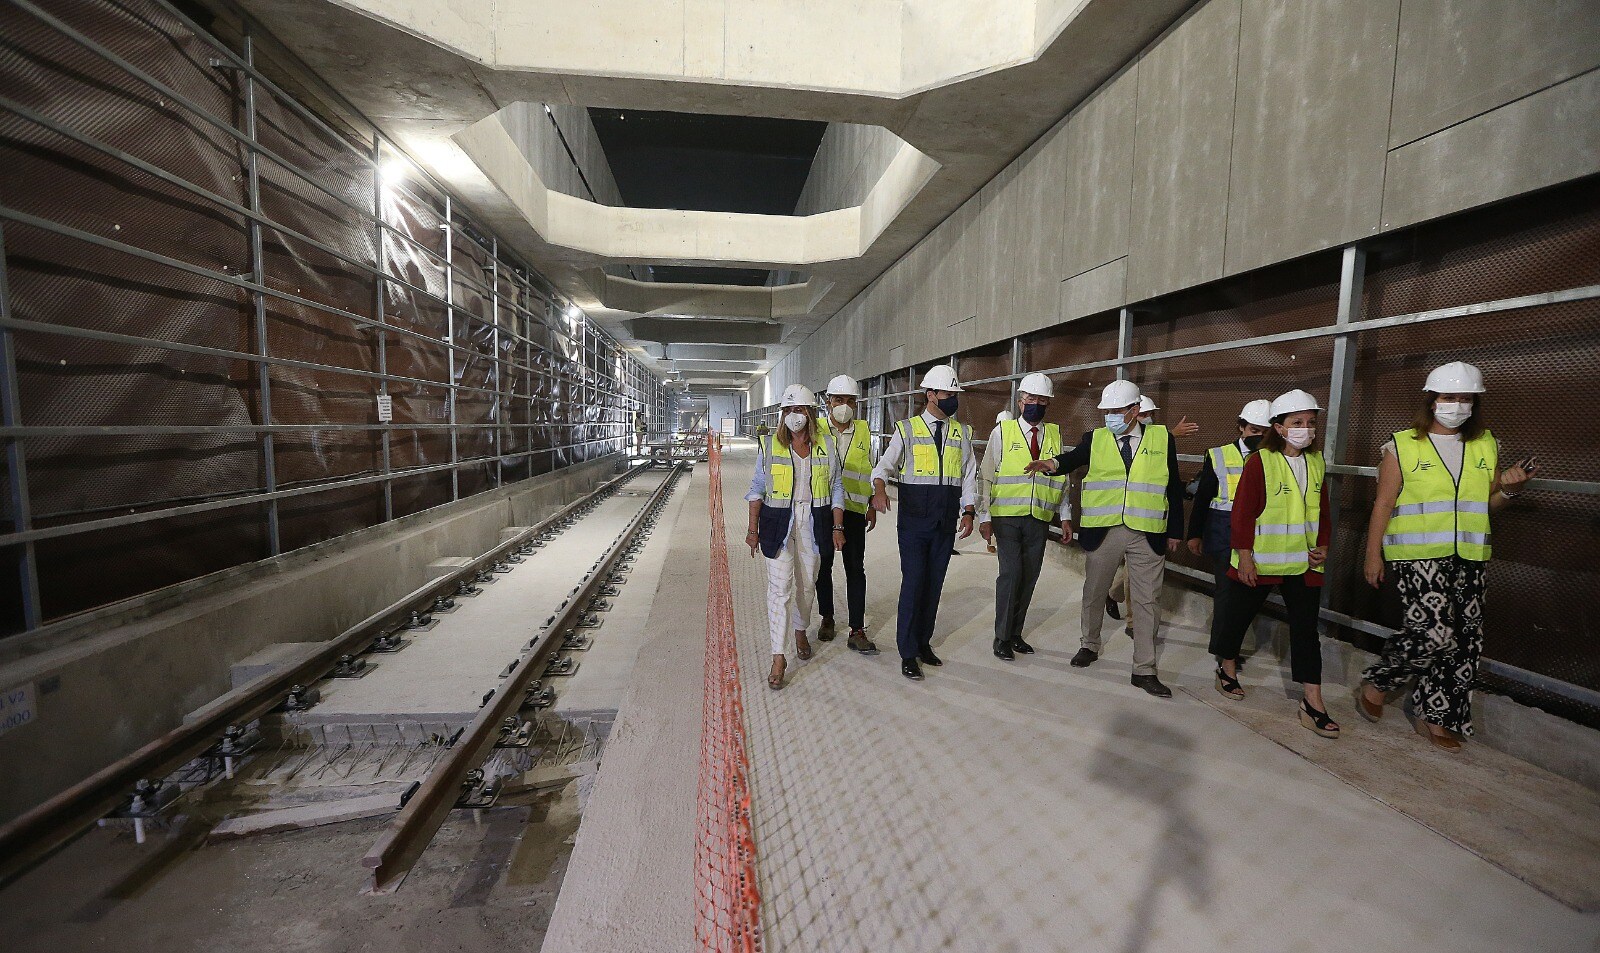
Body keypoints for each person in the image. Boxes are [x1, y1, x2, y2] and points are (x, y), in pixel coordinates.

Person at [1355, 361, 1534, 750]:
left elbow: (1486, 505)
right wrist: (1373, 555)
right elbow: (1383, 504)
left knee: (1465, 640)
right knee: (1435, 632)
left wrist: (1511, 490)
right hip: (1415, 554)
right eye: (1449, 397)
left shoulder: (1486, 443)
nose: (1458, 405)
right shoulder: (1401, 445)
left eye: (1466, 398)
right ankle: (1379, 681)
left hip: (1470, 554)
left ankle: (1436, 715)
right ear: (1432, 400)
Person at [1025, 380, 1186, 697]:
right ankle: (1089, 644)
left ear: (1135, 410)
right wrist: (1051, 464)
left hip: (1148, 531)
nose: (1110, 417)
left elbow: (1173, 485)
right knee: (1094, 591)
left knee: (1147, 602)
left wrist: (1175, 531)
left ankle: (1144, 669)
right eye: (1107, 411)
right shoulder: (1096, 438)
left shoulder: (1162, 439)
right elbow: (1073, 458)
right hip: (1105, 530)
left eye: (1116, 411)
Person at [1208, 390, 1339, 737]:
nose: (1306, 429)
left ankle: (1312, 701)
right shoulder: (1260, 461)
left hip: (1304, 561)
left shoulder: (1316, 461)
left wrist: (1323, 544)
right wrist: (1246, 557)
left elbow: (1321, 511)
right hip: (1262, 560)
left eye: (1311, 423)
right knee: (1238, 617)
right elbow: (1243, 513)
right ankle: (1227, 668)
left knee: (1306, 630)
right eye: (1297, 423)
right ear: (1278, 427)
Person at [871, 364, 977, 681]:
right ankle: (907, 652)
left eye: (955, 394)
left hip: (945, 521)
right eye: (947, 393)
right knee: (914, 583)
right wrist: (878, 491)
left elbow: (969, 474)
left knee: (933, 586)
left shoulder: (961, 432)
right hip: (914, 523)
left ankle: (923, 643)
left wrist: (969, 511)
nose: (952, 399)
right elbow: (883, 468)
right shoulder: (906, 429)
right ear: (930, 395)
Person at [745, 384, 845, 690]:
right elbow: (757, 488)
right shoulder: (770, 444)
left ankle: (800, 630)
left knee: (806, 586)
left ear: (811, 413)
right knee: (779, 589)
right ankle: (778, 656)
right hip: (777, 523)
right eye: (788, 411)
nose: (793, 417)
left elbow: (837, 487)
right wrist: (752, 530)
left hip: (813, 522)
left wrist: (838, 527)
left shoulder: (827, 445)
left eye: (799, 410)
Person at [978, 373, 1070, 660]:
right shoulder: (1002, 432)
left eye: (1043, 400)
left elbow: (1063, 478)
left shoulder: (1054, 434)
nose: (1037, 404)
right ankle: (1001, 637)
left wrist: (1065, 515)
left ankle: (1016, 633)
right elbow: (987, 475)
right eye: (1032, 399)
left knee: (1029, 576)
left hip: (1039, 517)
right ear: (1020, 402)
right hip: (1006, 516)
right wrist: (984, 515)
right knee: (1011, 574)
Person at [1105, 394, 1198, 628]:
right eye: (1144, 414)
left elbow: (1169, 481)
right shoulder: (1116, 440)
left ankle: (1112, 594)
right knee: (1133, 575)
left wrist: (1174, 527)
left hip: (1153, 518)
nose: (1147, 419)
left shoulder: (1159, 440)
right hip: (1126, 518)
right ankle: (1134, 621)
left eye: (1150, 415)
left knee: (1134, 571)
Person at [814, 374, 879, 655]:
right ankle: (827, 617)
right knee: (823, 566)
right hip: (823, 507)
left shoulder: (864, 430)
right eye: (839, 400)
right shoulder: (815, 428)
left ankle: (857, 629)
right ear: (828, 402)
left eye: (851, 401)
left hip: (853, 510)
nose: (845, 405)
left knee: (855, 569)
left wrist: (872, 505)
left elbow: (871, 468)